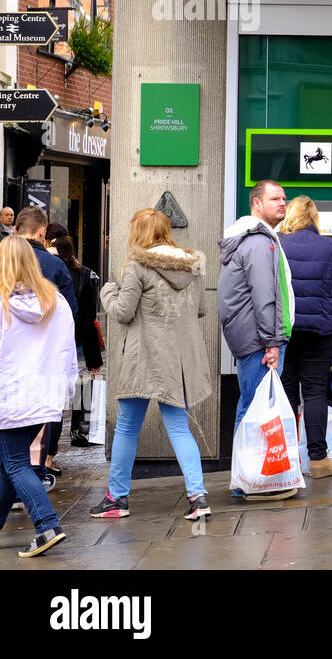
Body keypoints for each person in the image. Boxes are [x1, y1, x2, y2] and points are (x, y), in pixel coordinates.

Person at [91, 209, 211, 521]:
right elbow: (201, 309)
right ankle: (198, 499)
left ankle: (116, 499)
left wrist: (107, 291)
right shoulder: (193, 265)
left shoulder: (137, 265)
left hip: (142, 359)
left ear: (139, 233)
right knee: (179, 427)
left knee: (128, 427)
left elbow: (122, 313)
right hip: (178, 362)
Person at [218, 180, 297, 501]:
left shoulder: (258, 240)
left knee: (251, 407)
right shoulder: (258, 243)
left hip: (254, 338)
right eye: (275, 198)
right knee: (254, 409)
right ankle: (247, 481)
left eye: (284, 198)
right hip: (260, 340)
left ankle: (251, 478)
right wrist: (273, 342)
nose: (283, 203)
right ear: (256, 204)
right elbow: (266, 297)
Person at [0, 235, 76, 558]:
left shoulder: (3, 304)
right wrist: (65, 390)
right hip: (42, 399)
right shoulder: (56, 303)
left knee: (15, 463)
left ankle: (47, 524)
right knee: (7, 465)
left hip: (9, 400)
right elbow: (67, 352)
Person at [278, 196, 332, 479]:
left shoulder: (280, 244)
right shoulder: (328, 245)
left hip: (287, 329)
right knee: (314, 393)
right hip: (320, 330)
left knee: (285, 393)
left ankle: (285, 460)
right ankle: (318, 460)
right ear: (314, 219)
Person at [14, 207, 76, 488]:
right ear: (43, 232)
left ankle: (19, 481)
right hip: (43, 361)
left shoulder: (5, 260)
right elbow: (70, 312)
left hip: (10, 363)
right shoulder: (55, 267)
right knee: (40, 417)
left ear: (16, 229)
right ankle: (37, 472)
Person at [42, 223, 101, 466]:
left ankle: (42, 454)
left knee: (47, 397)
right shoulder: (85, 273)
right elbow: (89, 320)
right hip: (74, 342)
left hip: (47, 341)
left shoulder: (44, 268)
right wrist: (94, 359)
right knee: (71, 392)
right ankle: (64, 443)